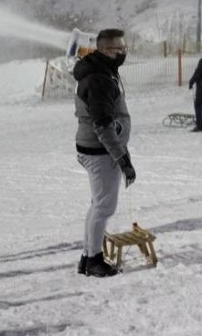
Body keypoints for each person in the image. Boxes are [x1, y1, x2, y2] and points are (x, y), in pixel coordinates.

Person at [73, 29, 137, 278]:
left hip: (96, 148)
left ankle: (87, 255)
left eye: (123, 48)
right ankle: (93, 260)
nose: (122, 53)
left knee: (98, 204)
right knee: (104, 207)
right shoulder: (100, 78)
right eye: (116, 49)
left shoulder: (104, 71)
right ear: (102, 50)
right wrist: (122, 158)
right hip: (100, 151)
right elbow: (102, 125)